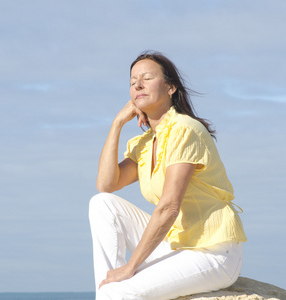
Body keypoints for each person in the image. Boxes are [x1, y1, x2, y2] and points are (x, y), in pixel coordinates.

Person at [89, 51, 247, 300]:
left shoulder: (185, 129)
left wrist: (131, 267)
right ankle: (107, 286)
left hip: (212, 252)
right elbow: (106, 184)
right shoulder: (146, 142)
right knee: (102, 204)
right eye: (132, 82)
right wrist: (117, 123)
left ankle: (113, 289)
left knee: (120, 291)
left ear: (171, 87)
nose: (138, 85)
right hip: (175, 244)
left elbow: (169, 207)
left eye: (147, 78)